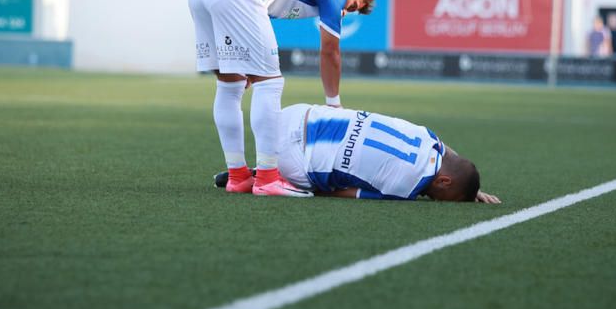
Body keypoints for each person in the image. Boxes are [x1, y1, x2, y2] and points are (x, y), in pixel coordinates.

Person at [189, 0, 375, 197]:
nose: (346, 11)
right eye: (353, 5)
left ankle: (238, 176)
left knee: (231, 85)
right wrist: (334, 104)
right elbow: (330, 50)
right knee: (271, 83)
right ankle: (266, 178)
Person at [214, 103, 500, 203]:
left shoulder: (430, 137)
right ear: (444, 181)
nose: (436, 200)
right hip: (292, 158)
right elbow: (344, 193)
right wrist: (311, 192)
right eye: (444, 198)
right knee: (324, 184)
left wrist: (466, 186)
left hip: (296, 113)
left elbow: (450, 156)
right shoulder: (406, 187)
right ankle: (265, 177)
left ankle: (257, 170)